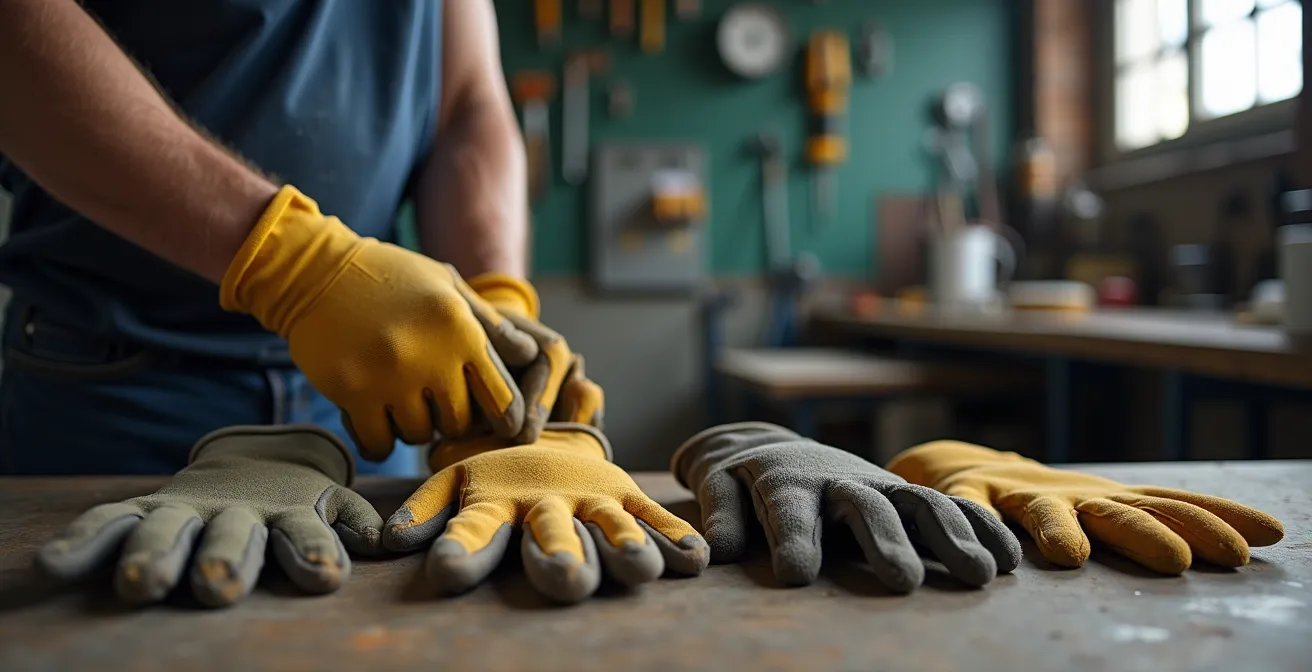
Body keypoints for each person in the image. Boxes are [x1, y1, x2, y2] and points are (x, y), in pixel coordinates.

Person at [0, 0, 577, 476]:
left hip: (376, 383)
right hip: (122, 387)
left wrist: (495, 311)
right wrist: (295, 266)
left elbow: (465, 103)